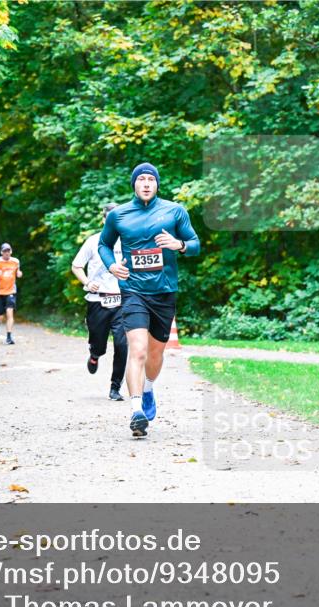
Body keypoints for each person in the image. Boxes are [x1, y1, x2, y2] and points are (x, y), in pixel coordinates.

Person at [99, 163, 200, 437]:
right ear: (134, 184)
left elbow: (195, 244)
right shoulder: (118, 215)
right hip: (133, 290)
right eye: (141, 179)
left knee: (155, 354)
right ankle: (136, 412)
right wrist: (112, 266)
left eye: (150, 179)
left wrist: (179, 245)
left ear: (157, 184)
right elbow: (104, 244)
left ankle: (147, 389)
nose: (146, 183)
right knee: (138, 350)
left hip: (164, 291)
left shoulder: (174, 211)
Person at [72, 202, 127, 401]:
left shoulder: (128, 241)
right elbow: (76, 266)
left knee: (122, 344)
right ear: (104, 220)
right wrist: (88, 282)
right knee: (99, 343)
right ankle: (94, 355)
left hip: (122, 301)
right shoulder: (93, 241)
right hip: (97, 300)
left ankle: (115, 387)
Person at [0, 243, 22, 345]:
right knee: (0, 315)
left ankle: (9, 337)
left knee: (9, 312)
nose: (7, 253)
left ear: (11, 251)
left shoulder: (16, 261)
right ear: (1, 252)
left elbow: (18, 272)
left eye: (8, 251)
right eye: (4, 251)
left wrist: (19, 274)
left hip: (11, 291)